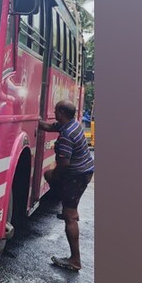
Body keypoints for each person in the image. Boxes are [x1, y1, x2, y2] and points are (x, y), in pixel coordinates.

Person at [38, 100, 95, 271]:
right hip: (84, 172)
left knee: (69, 216)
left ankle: (75, 260)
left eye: (56, 111)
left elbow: (63, 165)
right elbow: (49, 127)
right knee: (50, 177)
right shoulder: (72, 124)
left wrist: (54, 177)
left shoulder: (67, 136)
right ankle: (69, 207)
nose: (54, 113)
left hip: (76, 176)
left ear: (62, 113)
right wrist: (35, 120)